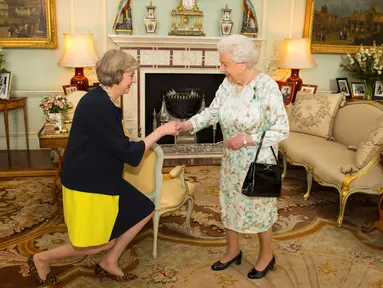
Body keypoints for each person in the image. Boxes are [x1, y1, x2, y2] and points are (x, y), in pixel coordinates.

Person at [27, 49, 179, 286]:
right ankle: (41, 258)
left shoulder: (102, 99)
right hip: (88, 183)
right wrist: (159, 132)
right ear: (118, 75)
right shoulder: (99, 105)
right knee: (99, 242)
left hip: (103, 175)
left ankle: (109, 261)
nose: (134, 80)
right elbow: (128, 154)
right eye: (130, 75)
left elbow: (114, 141)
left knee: (144, 207)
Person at [178, 34, 289, 280]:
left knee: (259, 208)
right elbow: (213, 112)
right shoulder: (227, 84)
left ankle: (266, 256)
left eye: (225, 64)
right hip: (232, 160)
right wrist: (187, 124)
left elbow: (281, 129)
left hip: (258, 161)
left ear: (243, 64)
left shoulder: (267, 87)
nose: (221, 68)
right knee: (230, 204)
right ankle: (232, 251)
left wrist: (246, 139)